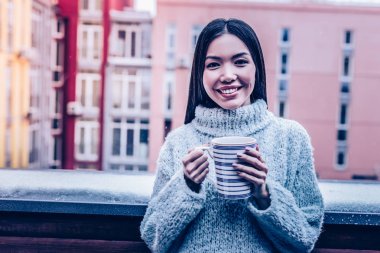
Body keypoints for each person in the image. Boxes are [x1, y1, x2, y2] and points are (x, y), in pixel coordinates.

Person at [140, 18, 324, 252]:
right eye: (214, 65)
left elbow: (305, 237)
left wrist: (264, 193)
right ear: (200, 73)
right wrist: (186, 186)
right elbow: (154, 237)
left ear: (256, 67)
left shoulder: (291, 138)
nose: (227, 75)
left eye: (240, 62)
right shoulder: (178, 143)